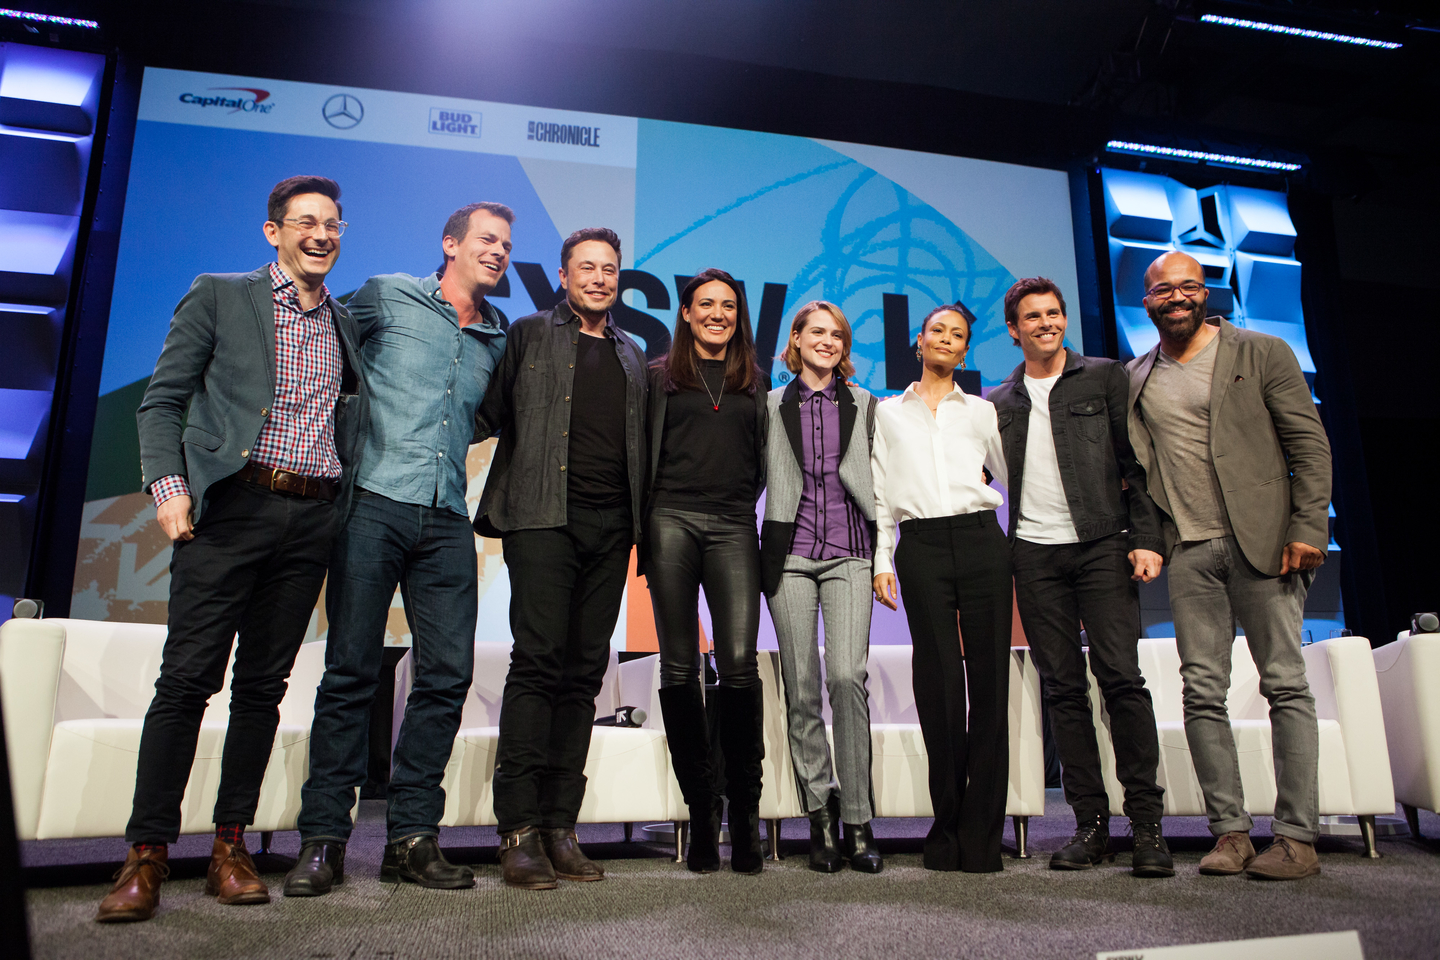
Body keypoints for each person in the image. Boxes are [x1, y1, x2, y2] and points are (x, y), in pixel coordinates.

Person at [98, 176, 367, 922]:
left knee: (262, 689)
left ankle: (230, 847)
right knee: (187, 682)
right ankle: (146, 854)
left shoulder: (344, 322)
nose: (321, 235)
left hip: (311, 518)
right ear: (273, 231)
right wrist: (169, 488)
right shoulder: (220, 294)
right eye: (305, 222)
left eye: (332, 224)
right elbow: (162, 400)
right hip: (230, 509)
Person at [283, 203, 513, 896]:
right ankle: (324, 840)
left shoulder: (497, 336)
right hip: (371, 503)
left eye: (506, 245)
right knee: (351, 671)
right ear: (450, 243)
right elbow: (323, 348)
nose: (498, 252)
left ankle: (412, 838)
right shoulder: (387, 295)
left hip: (445, 515)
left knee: (445, 676)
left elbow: (486, 416)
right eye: (487, 239)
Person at [1127, 251, 1331, 880]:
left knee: (1285, 685)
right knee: (1201, 692)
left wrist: (1307, 526)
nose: (1178, 297)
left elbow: (1309, 444)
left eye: (1189, 286)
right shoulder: (1136, 376)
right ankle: (1231, 833)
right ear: (1148, 301)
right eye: (1165, 289)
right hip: (1190, 551)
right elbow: (1140, 470)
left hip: (1266, 544)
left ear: (1206, 292)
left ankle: (1296, 838)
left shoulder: (1261, 351)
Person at [475, 228, 649, 890]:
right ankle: (518, 831)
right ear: (563, 275)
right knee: (539, 661)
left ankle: (559, 827)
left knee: (583, 674)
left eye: (609, 269)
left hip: (612, 528)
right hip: (542, 519)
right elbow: (484, 413)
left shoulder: (633, 355)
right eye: (587, 268)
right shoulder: (527, 334)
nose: (600, 278)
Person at [989, 277, 1172, 877]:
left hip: (1102, 544)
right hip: (1034, 554)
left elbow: (1135, 464)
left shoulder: (1103, 377)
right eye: (1032, 317)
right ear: (1013, 330)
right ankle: (1090, 825)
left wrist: (1145, 538)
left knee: (1121, 679)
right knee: (1063, 690)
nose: (1046, 323)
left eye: (1054, 313)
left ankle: (1146, 826)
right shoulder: (999, 401)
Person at [871, 302, 1012, 873]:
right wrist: (882, 559)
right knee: (939, 684)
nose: (947, 340)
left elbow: (1006, 470)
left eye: (958, 335)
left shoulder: (982, 411)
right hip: (921, 545)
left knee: (990, 685)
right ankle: (947, 827)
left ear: (965, 349)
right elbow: (880, 491)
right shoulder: (886, 413)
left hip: (981, 540)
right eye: (938, 331)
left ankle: (983, 836)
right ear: (920, 340)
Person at [644, 268, 771, 875]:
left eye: (728, 305)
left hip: (733, 524)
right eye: (706, 304)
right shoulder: (657, 377)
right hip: (669, 519)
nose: (718, 313)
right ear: (687, 313)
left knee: (740, 664)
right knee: (678, 665)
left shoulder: (755, 382)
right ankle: (702, 811)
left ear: (737, 316)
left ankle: (744, 812)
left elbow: (764, 462)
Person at [760, 301, 882, 874]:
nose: (828, 341)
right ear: (796, 339)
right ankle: (821, 817)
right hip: (789, 556)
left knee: (846, 677)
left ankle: (858, 819)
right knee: (802, 684)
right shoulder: (769, 405)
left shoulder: (866, 404)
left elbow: (887, 476)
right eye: (817, 332)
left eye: (837, 335)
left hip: (851, 552)